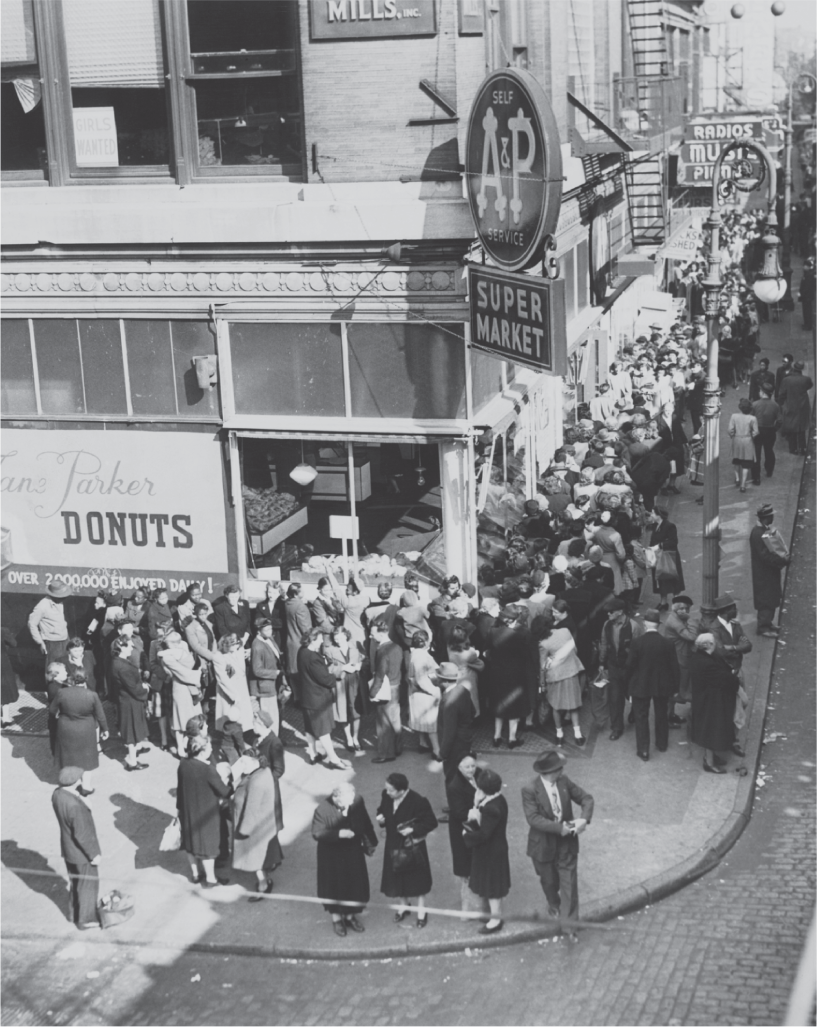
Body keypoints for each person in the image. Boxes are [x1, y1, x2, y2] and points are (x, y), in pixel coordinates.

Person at [522, 750, 594, 937]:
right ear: (548, 772)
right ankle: (553, 902)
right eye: (558, 769)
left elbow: (586, 798)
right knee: (549, 881)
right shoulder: (530, 789)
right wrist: (559, 827)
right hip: (543, 844)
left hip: (566, 844)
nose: (561, 772)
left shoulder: (564, 782)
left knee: (569, 883)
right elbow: (533, 819)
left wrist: (584, 819)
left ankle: (569, 926)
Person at [312, 782, 378, 937]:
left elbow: (365, 820)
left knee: (353, 884)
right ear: (335, 798)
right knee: (334, 887)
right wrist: (338, 834)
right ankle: (336, 919)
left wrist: (372, 842)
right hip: (331, 857)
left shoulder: (356, 801)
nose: (349, 806)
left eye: (351, 802)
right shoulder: (322, 810)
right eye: (344, 804)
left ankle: (349, 917)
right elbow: (317, 833)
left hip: (352, 852)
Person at [376, 772, 438, 928]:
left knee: (417, 879)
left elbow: (431, 822)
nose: (387, 792)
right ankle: (404, 906)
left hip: (411, 845)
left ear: (402, 791)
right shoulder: (387, 795)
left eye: (391, 790)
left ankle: (422, 910)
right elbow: (381, 810)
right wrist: (381, 818)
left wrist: (412, 829)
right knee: (398, 876)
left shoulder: (418, 801)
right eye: (387, 789)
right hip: (393, 843)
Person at [624, 609, 680, 762]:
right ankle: (662, 744)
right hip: (661, 686)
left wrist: (627, 685)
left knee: (641, 717)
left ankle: (643, 750)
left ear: (644, 624)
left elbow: (630, 665)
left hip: (640, 685)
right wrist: (675, 688)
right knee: (661, 714)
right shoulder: (667, 643)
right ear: (659, 625)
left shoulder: (637, 643)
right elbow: (674, 667)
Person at [177, 733, 231, 886]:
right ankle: (211, 878)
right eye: (209, 747)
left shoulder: (183, 764)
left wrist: (179, 810)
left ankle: (195, 874)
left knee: (190, 844)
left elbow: (181, 789)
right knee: (208, 846)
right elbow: (224, 791)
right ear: (202, 750)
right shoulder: (208, 770)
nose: (211, 749)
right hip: (206, 812)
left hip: (188, 810)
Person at [52, 766, 102, 930]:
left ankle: (74, 914)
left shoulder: (58, 795)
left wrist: (81, 797)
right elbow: (82, 834)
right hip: (81, 853)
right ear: (75, 782)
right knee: (88, 884)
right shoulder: (75, 807)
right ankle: (86, 919)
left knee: (76, 882)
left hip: (68, 850)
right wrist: (94, 854)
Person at [231, 747, 284, 898]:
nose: (242, 765)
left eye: (245, 762)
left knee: (256, 860)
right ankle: (266, 877)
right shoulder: (263, 772)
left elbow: (251, 809)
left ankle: (263, 886)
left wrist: (243, 831)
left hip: (254, 828)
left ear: (255, 762)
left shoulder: (256, 781)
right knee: (262, 856)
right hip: (263, 824)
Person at [462, 768, 511, 935]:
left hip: (491, 852)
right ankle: (494, 916)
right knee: (494, 886)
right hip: (496, 849)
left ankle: (495, 920)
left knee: (492, 888)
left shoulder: (491, 808)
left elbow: (484, 834)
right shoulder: (499, 800)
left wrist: (467, 835)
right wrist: (477, 804)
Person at [484, 605, 536, 748]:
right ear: (516, 618)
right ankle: (512, 739)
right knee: (514, 706)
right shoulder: (524, 633)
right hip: (516, 675)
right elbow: (528, 655)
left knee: (499, 704)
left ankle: (497, 736)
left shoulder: (493, 632)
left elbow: (487, 649)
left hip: (496, 673)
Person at [298, 626, 349, 770]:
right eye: (320, 638)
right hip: (318, 699)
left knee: (309, 728)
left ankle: (313, 754)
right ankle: (333, 759)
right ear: (313, 639)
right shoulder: (314, 657)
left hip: (307, 697)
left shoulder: (302, 651)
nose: (322, 641)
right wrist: (337, 673)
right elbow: (326, 679)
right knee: (323, 730)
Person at [50, 671, 108, 795]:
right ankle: (86, 786)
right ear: (85, 679)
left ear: (72, 679)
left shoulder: (62, 693)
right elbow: (100, 715)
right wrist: (105, 729)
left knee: (68, 756)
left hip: (65, 728)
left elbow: (52, 710)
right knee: (87, 758)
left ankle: (68, 785)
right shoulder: (92, 695)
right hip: (86, 729)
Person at [689, 634, 740, 774]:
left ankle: (711, 758)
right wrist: (734, 678)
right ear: (709, 644)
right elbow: (724, 678)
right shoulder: (707, 662)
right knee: (711, 732)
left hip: (706, 699)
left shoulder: (700, 657)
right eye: (714, 641)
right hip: (711, 702)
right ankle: (709, 763)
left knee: (709, 730)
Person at [535, 614, 586, 748]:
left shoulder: (543, 644)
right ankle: (578, 734)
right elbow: (574, 650)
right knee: (573, 705)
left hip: (555, 677)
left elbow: (542, 666)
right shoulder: (565, 631)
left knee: (556, 707)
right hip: (571, 672)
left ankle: (559, 735)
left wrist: (542, 684)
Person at [445, 752, 487, 912]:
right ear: (459, 767)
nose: (471, 770)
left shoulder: (480, 774)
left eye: (473, 766)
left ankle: (479, 901)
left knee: (477, 864)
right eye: (467, 767)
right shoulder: (454, 786)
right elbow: (459, 812)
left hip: (477, 825)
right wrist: (478, 807)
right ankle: (469, 908)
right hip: (463, 829)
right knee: (467, 869)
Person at [159, 630, 204, 757]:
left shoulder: (176, 651)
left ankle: (187, 744)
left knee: (193, 718)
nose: (177, 644)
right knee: (180, 721)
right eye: (173, 643)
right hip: (181, 689)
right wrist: (198, 674)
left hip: (189, 688)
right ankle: (181, 749)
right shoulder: (168, 657)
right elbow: (182, 672)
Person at [110, 636, 151, 772]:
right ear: (121, 647)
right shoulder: (123, 667)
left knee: (132, 729)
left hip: (126, 700)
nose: (132, 649)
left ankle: (134, 754)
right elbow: (133, 688)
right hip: (130, 701)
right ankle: (132, 762)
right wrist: (144, 689)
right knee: (132, 732)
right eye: (129, 646)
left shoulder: (117, 662)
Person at [212, 633, 255, 761]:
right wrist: (234, 696)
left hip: (242, 688)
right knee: (233, 720)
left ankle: (242, 747)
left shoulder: (238, 650)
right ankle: (233, 749)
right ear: (226, 644)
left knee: (245, 721)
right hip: (229, 693)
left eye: (237, 642)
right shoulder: (218, 657)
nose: (237, 645)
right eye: (233, 643)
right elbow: (222, 679)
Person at [749, 504, 790, 637]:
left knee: (771, 596)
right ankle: (763, 627)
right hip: (764, 573)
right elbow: (765, 555)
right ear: (766, 517)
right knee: (766, 598)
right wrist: (782, 560)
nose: (773, 517)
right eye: (771, 515)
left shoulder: (762, 531)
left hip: (768, 572)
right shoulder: (758, 533)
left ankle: (768, 623)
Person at [368, 619, 404, 764]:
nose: (371, 637)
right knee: (395, 719)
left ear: (381, 634)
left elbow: (380, 675)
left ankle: (385, 754)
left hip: (385, 688)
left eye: (372, 634)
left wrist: (372, 692)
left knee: (383, 723)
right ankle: (398, 747)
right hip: (396, 686)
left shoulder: (382, 651)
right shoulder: (397, 647)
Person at [325, 625, 363, 756]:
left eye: (341, 637)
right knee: (343, 712)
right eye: (336, 638)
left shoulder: (355, 647)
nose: (338, 640)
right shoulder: (329, 650)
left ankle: (356, 737)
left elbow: (364, 660)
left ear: (346, 636)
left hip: (354, 682)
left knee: (356, 711)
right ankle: (349, 739)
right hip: (340, 683)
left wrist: (359, 666)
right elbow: (327, 669)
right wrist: (343, 668)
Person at [660, 594, 698, 723]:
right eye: (681, 608)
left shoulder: (675, 618)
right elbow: (691, 636)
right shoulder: (675, 622)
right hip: (679, 659)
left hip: (677, 657)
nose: (683, 611)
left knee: (674, 690)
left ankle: (670, 716)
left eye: (686, 608)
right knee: (677, 690)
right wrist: (691, 620)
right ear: (675, 608)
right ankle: (667, 719)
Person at [437, 661, 474, 786]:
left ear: (445, 681)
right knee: (463, 775)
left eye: (439, 677)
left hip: (454, 746)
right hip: (465, 740)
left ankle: (455, 805)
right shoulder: (463, 690)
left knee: (452, 777)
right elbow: (472, 711)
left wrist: (443, 753)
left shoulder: (449, 702)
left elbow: (449, 731)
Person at [407, 633, 441, 759]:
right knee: (431, 723)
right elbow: (422, 679)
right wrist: (435, 691)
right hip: (425, 694)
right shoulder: (421, 657)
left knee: (421, 720)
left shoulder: (414, 654)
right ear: (426, 642)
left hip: (416, 693)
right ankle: (437, 751)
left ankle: (423, 743)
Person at [28, 582, 71, 670]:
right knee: (54, 670)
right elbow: (32, 624)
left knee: (67, 668)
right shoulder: (42, 606)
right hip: (52, 643)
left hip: (65, 639)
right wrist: (40, 642)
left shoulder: (60, 602)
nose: (64, 598)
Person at [649, 507, 685, 611]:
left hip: (669, 557)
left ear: (659, 515)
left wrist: (659, 545)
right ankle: (663, 602)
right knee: (661, 580)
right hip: (658, 556)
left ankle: (676, 601)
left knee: (673, 578)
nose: (651, 515)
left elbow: (673, 542)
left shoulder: (669, 526)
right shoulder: (655, 525)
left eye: (653, 513)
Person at [249, 618, 281, 733]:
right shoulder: (257, 646)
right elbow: (257, 670)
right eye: (266, 629)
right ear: (259, 631)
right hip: (265, 688)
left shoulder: (269, 639)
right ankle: (271, 742)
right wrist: (275, 673)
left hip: (272, 684)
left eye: (270, 629)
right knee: (270, 718)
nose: (269, 631)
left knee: (275, 714)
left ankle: (274, 739)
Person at [446, 623, 484, 719]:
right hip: (468, 676)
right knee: (471, 697)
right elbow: (477, 660)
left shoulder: (449, 647)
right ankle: (473, 715)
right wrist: (476, 652)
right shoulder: (470, 652)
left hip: (455, 674)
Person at [284, 583, 312, 706]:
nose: (304, 592)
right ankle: (302, 700)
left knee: (293, 673)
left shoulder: (288, 603)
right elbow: (305, 628)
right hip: (300, 643)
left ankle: (296, 697)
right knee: (301, 673)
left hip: (290, 641)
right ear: (297, 593)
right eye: (302, 591)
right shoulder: (300, 606)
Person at [777, 361, 813, 455]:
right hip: (802, 406)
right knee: (801, 428)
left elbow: (782, 394)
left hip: (790, 405)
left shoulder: (786, 380)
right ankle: (802, 448)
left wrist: (780, 404)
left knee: (791, 427)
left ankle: (793, 449)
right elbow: (809, 386)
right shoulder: (806, 379)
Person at [751, 388, 781, 485]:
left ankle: (756, 477)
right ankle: (769, 470)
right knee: (769, 451)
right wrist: (774, 429)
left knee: (756, 453)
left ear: (763, 393)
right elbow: (780, 420)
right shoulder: (775, 405)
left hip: (757, 431)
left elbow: (750, 418)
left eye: (760, 391)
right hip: (770, 430)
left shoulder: (755, 404)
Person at [728, 397, 758, 492]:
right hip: (747, 440)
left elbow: (730, 430)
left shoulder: (734, 416)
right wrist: (751, 436)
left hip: (737, 439)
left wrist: (733, 435)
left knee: (736, 460)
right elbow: (756, 432)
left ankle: (737, 478)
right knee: (746, 463)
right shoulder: (753, 418)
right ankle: (743, 484)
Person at [340, 576, 370, 648]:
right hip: (362, 637)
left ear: (355, 592)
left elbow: (336, 589)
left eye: (348, 590)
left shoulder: (348, 602)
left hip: (349, 638)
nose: (346, 591)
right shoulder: (367, 600)